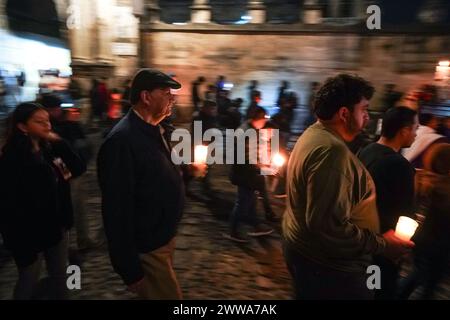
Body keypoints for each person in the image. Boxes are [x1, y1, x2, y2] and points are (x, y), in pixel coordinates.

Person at [282, 74, 414, 300]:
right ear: (344, 114)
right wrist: (382, 245)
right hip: (329, 268)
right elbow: (327, 226)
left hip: (309, 254)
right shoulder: (332, 152)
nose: (366, 117)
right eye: (363, 109)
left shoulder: (314, 134)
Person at [97, 68, 205, 299]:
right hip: (148, 247)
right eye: (166, 92)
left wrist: (188, 173)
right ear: (146, 97)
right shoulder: (121, 142)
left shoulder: (157, 129)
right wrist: (130, 271)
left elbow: (158, 177)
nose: (173, 98)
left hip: (162, 237)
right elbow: (117, 211)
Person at [0, 102, 86, 299]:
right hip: (30, 232)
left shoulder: (50, 149)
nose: (47, 126)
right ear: (22, 126)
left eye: (47, 121)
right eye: (39, 122)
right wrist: (16, 239)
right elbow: (8, 203)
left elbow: (78, 168)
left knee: (61, 275)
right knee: (29, 278)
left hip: (58, 225)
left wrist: (59, 142)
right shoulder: (12, 158)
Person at [358, 107, 419, 300]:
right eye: (415, 129)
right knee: (381, 292)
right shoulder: (400, 165)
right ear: (403, 131)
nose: (416, 134)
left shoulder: (366, 150)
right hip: (385, 246)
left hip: (363, 239)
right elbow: (406, 212)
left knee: (367, 288)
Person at [397, 143, 450, 300]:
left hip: (420, 239)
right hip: (438, 245)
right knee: (428, 281)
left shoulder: (424, 179)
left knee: (420, 275)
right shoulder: (445, 189)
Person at [227, 106, 274, 243]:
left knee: (252, 201)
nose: (265, 122)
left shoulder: (250, 128)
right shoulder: (247, 132)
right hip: (244, 175)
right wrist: (264, 166)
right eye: (264, 118)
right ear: (258, 119)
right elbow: (247, 159)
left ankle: (256, 226)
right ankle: (233, 231)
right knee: (242, 203)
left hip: (249, 174)